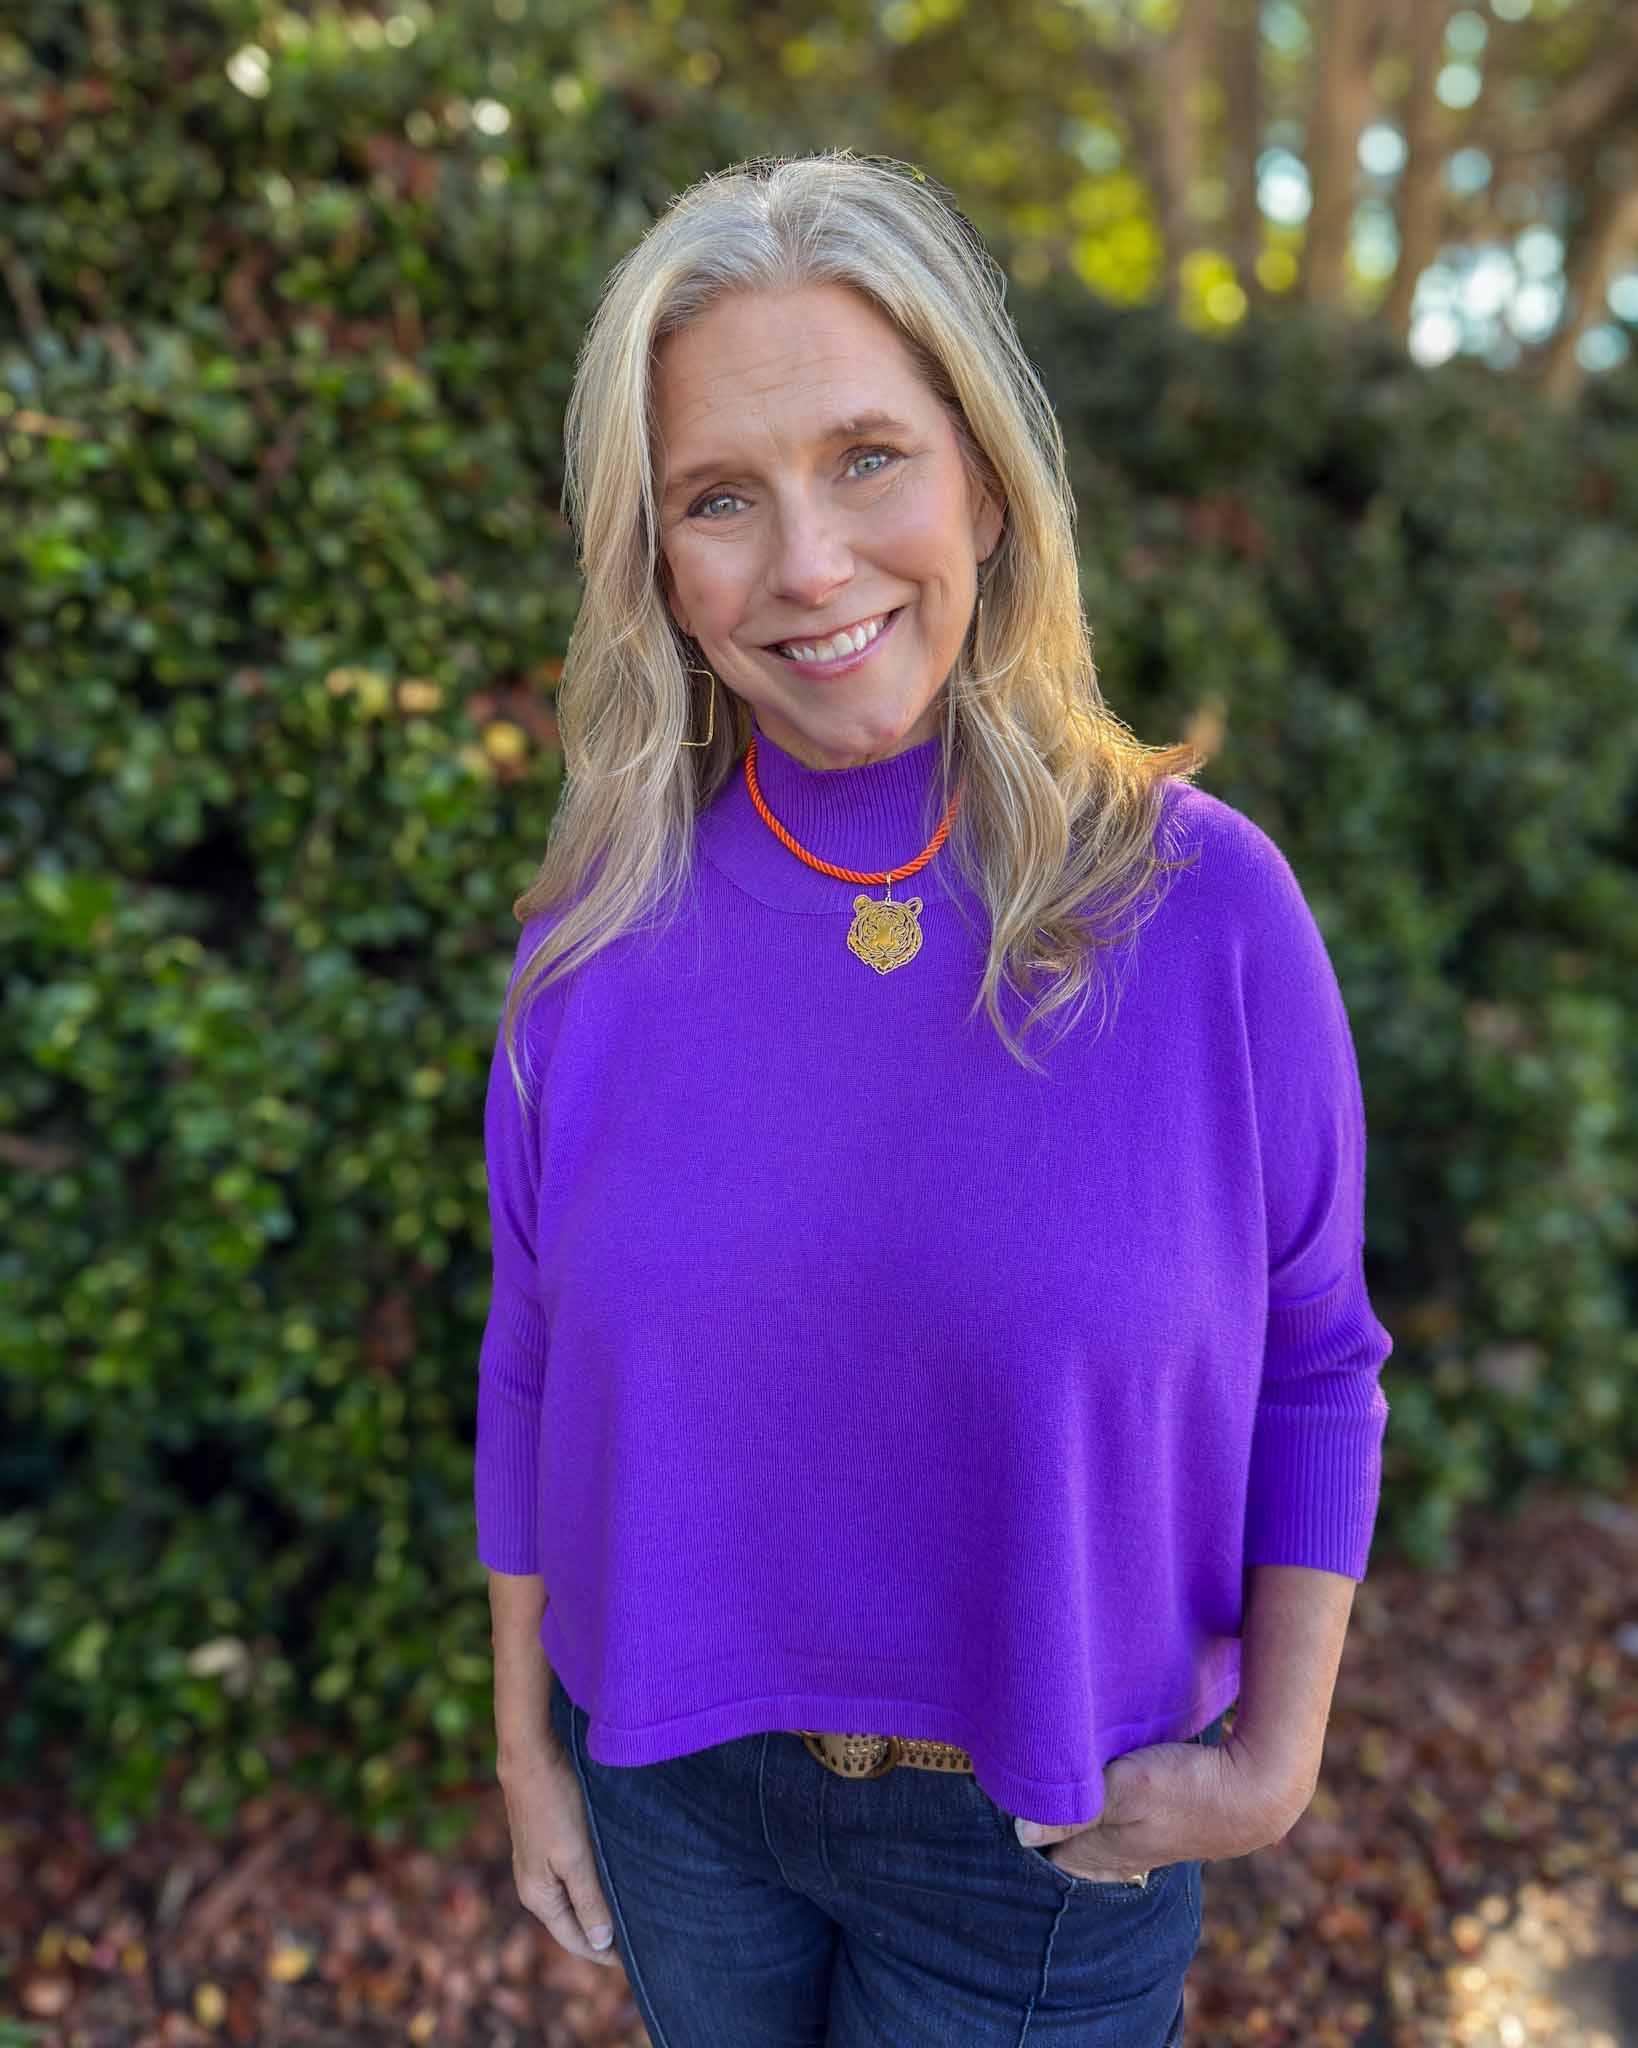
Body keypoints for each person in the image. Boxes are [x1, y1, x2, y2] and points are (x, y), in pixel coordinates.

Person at [475, 150, 1393, 2046]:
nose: (808, 566)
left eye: (868, 458)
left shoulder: (1205, 912)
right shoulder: (592, 941)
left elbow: (1316, 1355)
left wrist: (1275, 1759)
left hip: (1040, 1831)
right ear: (656, 565)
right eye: (719, 498)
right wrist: (524, 1751)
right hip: (673, 1797)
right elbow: (532, 1354)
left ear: (984, 480)